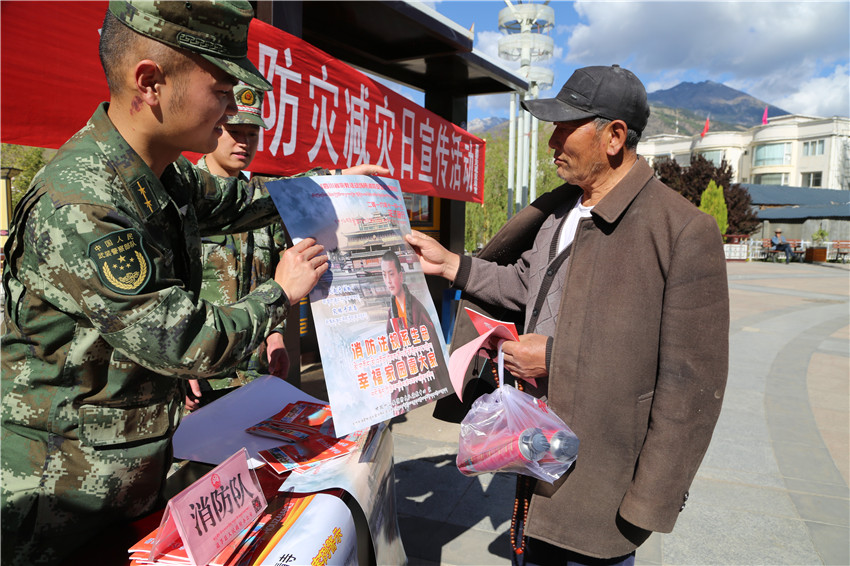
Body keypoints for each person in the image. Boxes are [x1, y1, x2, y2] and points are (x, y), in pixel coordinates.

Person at [0, 3, 330, 563]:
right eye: (220, 89)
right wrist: (279, 292)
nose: (230, 107)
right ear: (150, 82)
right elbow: (183, 341)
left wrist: (332, 186)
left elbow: (241, 203)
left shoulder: (160, 172)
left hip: (129, 473)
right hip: (61, 495)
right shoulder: (84, 203)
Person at [406, 65, 729, 565]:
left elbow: (690, 384)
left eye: (564, 127)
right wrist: (451, 265)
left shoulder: (681, 230)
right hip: (534, 453)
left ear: (614, 136)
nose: (551, 141)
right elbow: (524, 285)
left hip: (602, 483)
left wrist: (650, 501)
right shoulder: (559, 213)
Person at [187, 82, 289, 408]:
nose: (244, 142)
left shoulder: (264, 204)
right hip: (199, 374)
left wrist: (276, 336)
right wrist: (173, 364)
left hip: (254, 374)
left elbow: (276, 278)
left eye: (252, 134)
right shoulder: (185, 196)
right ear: (214, 128)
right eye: (235, 131)